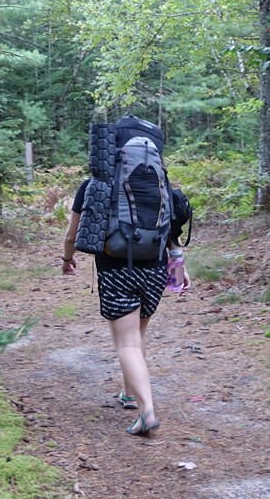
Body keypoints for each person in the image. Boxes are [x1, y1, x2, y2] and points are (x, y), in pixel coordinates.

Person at [61, 178, 190, 436]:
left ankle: (147, 411)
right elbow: (171, 231)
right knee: (138, 333)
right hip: (154, 267)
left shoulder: (94, 185)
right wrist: (179, 269)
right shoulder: (155, 181)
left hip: (115, 267)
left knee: (127, 342)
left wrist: (67, 259)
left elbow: (71, 235)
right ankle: (130, 394)